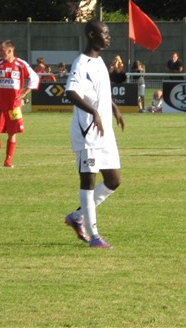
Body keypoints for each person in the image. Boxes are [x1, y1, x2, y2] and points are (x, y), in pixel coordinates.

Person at [63, 21, 124, 249]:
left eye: (108, 32)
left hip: (104, 133)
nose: (108, 36)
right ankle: (95, 236)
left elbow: (99, 92)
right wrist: (94, 112)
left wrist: (114, 110)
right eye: (104, 33)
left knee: (113, 180)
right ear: (91, 34)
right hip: (87, 132)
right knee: (88, 181)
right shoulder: (81, 63)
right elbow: (71, 92)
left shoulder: (99, 61)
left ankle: (77, 216)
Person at [0, 40, 40, 168]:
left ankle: (8, 160)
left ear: (10, 51)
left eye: (2, 50)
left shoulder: (21, 64)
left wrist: (25, 92)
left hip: (14, 106)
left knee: (12, 132)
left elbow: (35, 78)